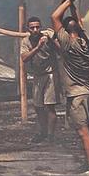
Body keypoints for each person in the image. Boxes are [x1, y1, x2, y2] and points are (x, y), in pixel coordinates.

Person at [51, 0, 89, 170]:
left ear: (67, 32)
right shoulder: (86, 42)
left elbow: (54, 17)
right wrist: (72, 3)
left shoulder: (69, 44)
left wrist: (69, 0)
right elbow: (79, 22)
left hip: (76, 96)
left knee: (83, 132)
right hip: (88, 92)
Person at [21, 15, 59, 143]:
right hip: (37, 75)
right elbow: (24, 58)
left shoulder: (47, 36)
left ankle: (51, 136)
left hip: (50, 74)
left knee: (50, 106)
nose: (35, 30)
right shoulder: (26, 41)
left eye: (37, 27)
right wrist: (38, 47)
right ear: (28, 29)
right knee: (38, 107)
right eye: (32, 28)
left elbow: (60, 49)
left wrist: (51, 40)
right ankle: (42, 132)